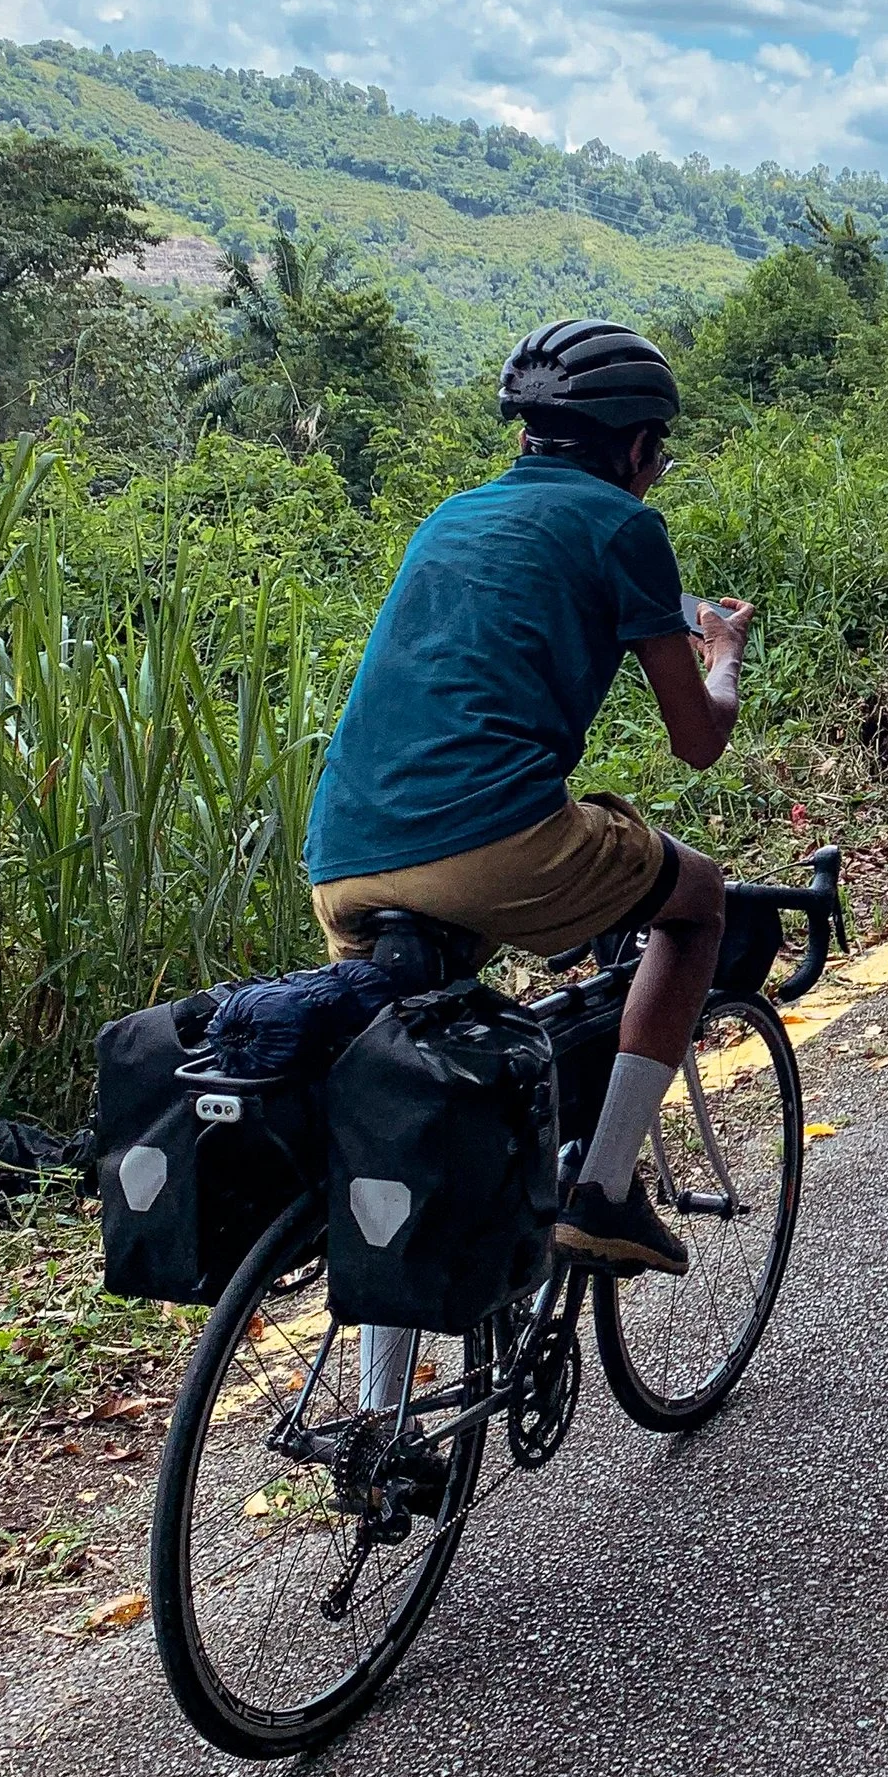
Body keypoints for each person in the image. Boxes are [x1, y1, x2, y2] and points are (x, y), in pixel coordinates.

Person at [304, 318, 750, 1279]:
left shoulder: (450, 515)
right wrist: (724, 654)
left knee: (410, 1117)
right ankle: (606, 1189)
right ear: (637, 448)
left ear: (524, 436)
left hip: (341, 854)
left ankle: (390, 1410)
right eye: (657, 451)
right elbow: (697, 740)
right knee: (700, 900)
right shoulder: (625, 524)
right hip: (494, 843)